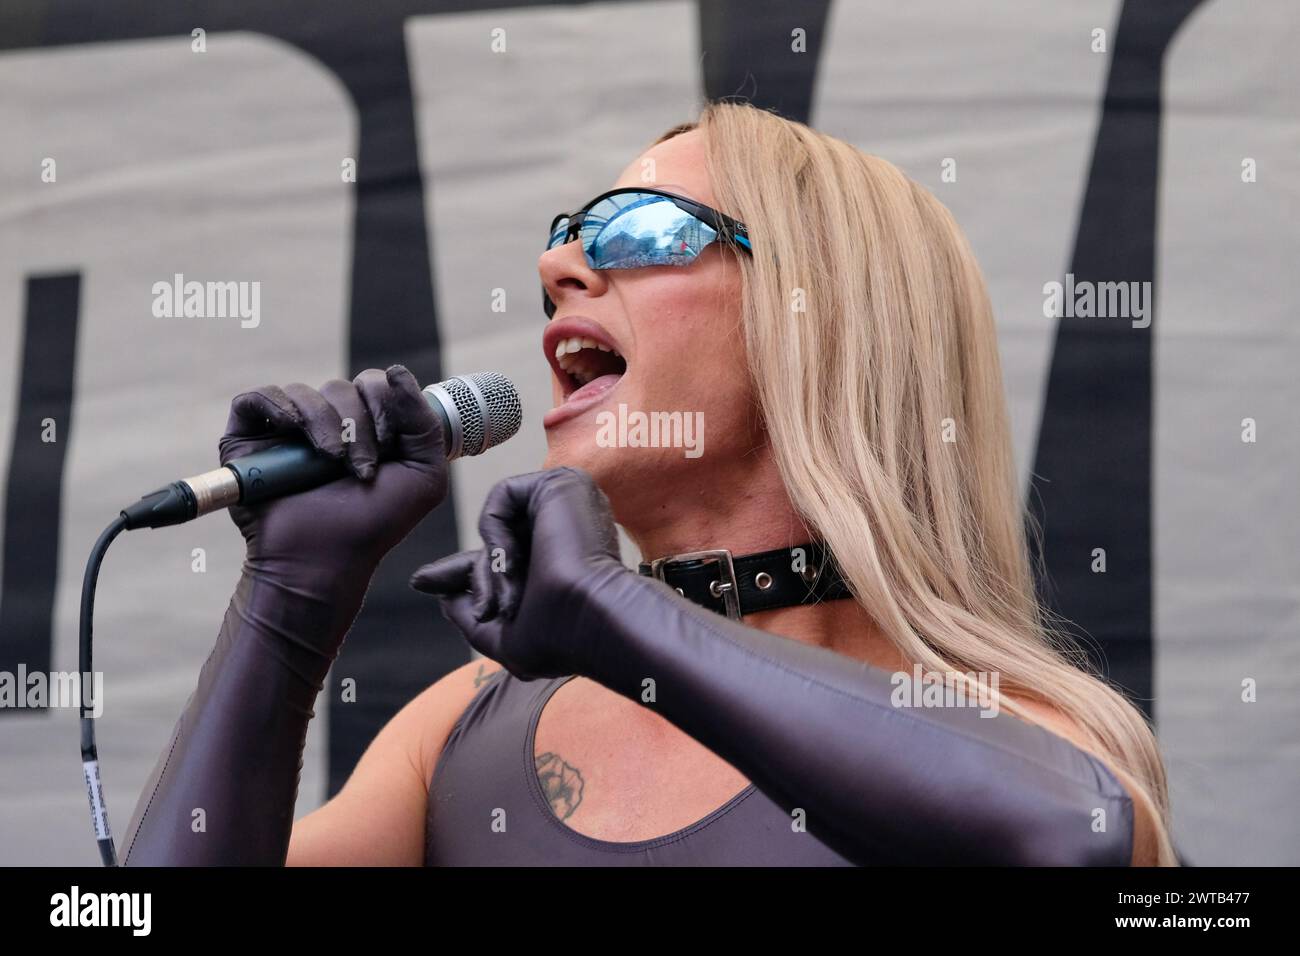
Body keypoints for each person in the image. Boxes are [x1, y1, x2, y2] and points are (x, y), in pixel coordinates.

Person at [122, 101, 1174, 866]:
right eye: (567, 238)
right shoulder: (462, 731)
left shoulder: (1015, 729)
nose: (561, 268)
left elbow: (1068, 841)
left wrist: (626, 621)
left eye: (640, 230)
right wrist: (289, 606)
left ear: (824, 322)